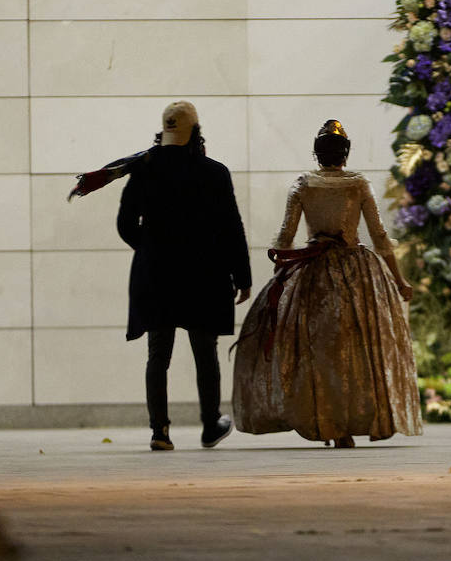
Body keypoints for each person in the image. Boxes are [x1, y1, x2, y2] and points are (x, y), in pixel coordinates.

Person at [231, 120, 422, 446]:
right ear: (345, 154)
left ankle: (329, 423)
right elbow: (379, 237)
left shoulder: (303, 185)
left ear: (316, 154)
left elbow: (285, 236)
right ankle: (349, 419)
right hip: (358, 275)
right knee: (357, 351)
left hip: (313, 275)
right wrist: (398, 279)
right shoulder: (358, 184)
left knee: (319, 352)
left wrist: (280, 276)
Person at [115, 101, 252, 450]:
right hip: (203, 274)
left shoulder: (143, 170)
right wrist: (242, 275)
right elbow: (231, 228)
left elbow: (125, 224)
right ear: (196, 133)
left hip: (156, 274)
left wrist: (149, 249)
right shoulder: (214, 172)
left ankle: (159, 431)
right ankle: (210, 424)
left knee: (158, 353)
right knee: (204, 350)